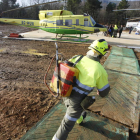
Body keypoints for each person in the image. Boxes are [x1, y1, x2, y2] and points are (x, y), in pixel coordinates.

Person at [52, 39, 110, 140]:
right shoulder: (100, 70)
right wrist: (100, 90)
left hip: (65, 93)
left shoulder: (77, 57)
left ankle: (79, 119)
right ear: (102, 54)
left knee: (73, 109)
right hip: (76, 103)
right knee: (65, 126)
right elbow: (104, 92)